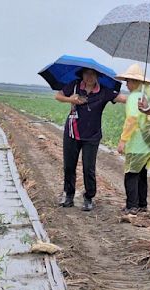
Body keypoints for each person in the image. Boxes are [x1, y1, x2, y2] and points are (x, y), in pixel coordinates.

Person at [55, 67, 125, 211]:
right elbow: (58, 96)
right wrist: (71, 99)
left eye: (93, 74)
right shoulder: (74, 85)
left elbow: (122, 98)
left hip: (92, 135)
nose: (89, 77)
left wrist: (139, 97)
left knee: (88, 167)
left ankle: (89, 198)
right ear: (81, 75)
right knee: (69, 166)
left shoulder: (104, 91)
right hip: (72, 132)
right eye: (86, 73)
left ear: (97, 76)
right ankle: (68, 196)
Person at [115, 64, 150, 215]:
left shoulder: (135, 97)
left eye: (128, 81)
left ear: (135, 82)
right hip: (149, 145)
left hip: (137, 144)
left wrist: (123, 140)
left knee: (131, 174)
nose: (127, 84)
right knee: (141, 174)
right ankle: (142, 204)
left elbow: (132, 120)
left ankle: (131, 206)